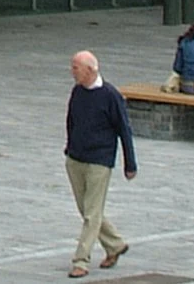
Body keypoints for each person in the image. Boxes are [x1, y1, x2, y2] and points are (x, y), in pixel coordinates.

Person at [63, 49, 136, 278]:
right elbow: (71, 120)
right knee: (86, 209)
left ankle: (81, 260)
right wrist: (69, 148)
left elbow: (124, 130)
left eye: (76, 68)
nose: (72, 72)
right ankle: (115, 244)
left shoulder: (110, 96)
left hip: (99, 161)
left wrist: (129, 163)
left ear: (90, 70)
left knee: (91, 213)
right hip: (75, 158)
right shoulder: (77, 92)